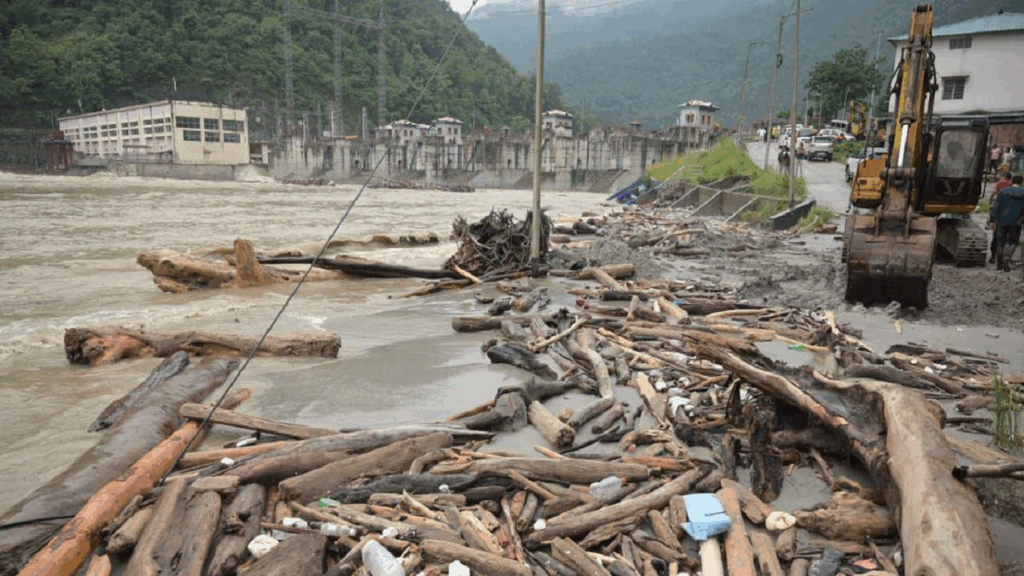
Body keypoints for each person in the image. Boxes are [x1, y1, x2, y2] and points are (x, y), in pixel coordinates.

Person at [990, 174, 1024, 273]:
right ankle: (1007, 257)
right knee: (1013, 242)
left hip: (1002, 221)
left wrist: (993, 219)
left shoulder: (1003, 192)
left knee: (1000, 242)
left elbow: (996, 206)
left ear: (1011, 182)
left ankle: (999, 266)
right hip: (1017, 222)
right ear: (1021, 182)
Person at [989, 172, 1014, 263]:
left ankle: (993, 257)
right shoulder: (1012, 185)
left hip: (999, 214)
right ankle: (1005, 258)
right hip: (1011, 214)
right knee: (1008, 239)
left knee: (996, 237)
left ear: (1004, 176)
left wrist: (990, 201)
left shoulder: (999, 183)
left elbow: (992, 195)